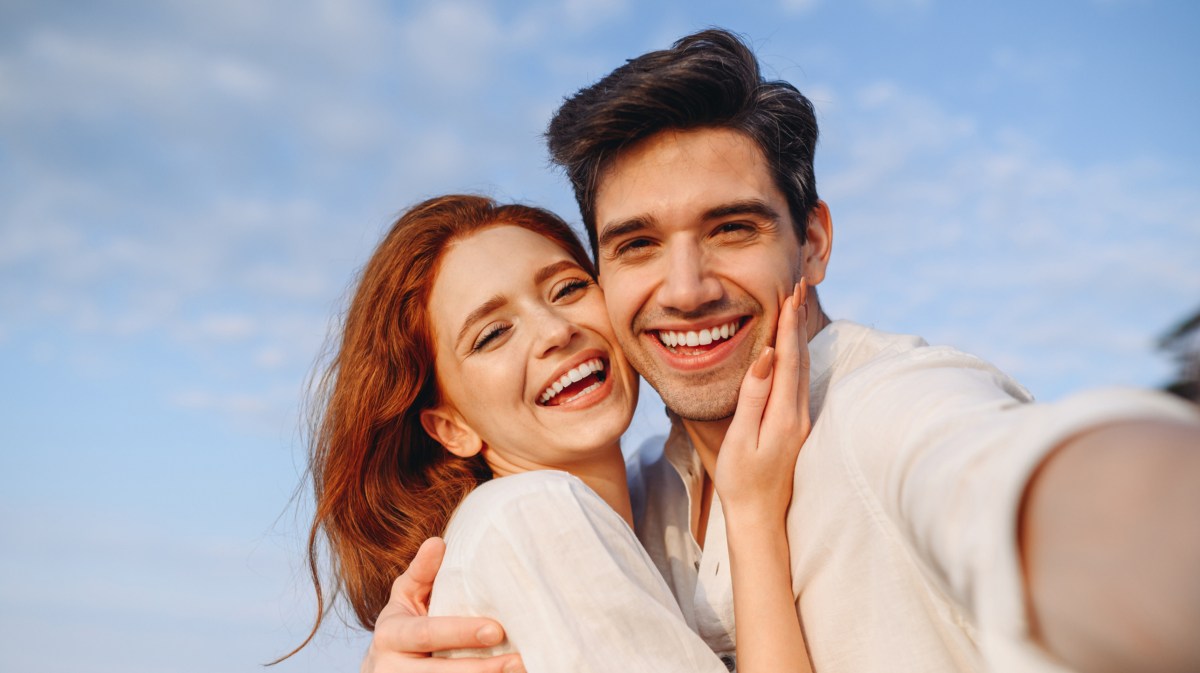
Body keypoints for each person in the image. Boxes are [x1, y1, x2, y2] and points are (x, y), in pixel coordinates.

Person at [363, 29, 1200, 673]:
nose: (686, 287)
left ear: (814, 243)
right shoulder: (618, 499)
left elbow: (1008, 477)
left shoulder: (883, 405)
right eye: (637, 244)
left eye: (731, 227)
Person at [287, 194, 816, 672]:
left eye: (567, 288)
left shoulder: (643, 497)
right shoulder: (533, 513)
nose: (555, 330)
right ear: (452, 428)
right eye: (492, 334)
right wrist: (754, 518)